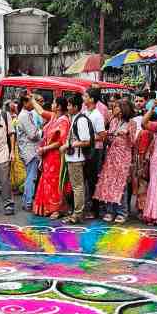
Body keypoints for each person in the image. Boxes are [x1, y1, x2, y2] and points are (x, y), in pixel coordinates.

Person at [93, 99, 137, 224]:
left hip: (123, 156)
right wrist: (107, 135)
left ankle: (122, 212)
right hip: (111, 155)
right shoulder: (113, 121)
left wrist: (126, 133)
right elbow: (109, 139)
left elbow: (133, 141)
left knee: (121, 184)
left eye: (116, 107)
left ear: (123, 109)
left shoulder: (132, 123)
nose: (113, 109)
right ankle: (110, 211)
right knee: (109, 183)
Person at [32, 95, 71, 219]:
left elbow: (60, 142)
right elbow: (41, 111)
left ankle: (57, 209)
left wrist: (44, 148)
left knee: (55, 182)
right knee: (47, 180)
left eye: (54, 103)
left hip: (56, 156)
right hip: (48, 156)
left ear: (58, 107)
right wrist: (31, 99)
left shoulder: (64, 121)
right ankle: (47, 207)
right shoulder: (54, 116)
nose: (52, 105)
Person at [61, 94, 93, 224]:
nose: (67, 107)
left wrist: (68, 145)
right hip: (73, 157)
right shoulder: (75, 118)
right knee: (77, 186)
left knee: (78, 187)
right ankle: (76, 212)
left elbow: (86, 141)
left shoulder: (80, 120)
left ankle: (77, 214)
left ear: (75, 107)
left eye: (69, 105)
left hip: (76, 158)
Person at [82, 88, 108, 219]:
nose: (83, 98)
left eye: (86, 96)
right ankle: (87, 205)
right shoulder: (85, 112)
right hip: (85, 148)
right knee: (85, 178)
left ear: (92, 99)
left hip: (94, 150)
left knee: (92, 179)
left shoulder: (97, 115)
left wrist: (89, 139)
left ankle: (95, 209)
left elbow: (102, 135)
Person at [16, 92, 43, 212]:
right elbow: (33, 134)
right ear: (25, 103)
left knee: (30, 176)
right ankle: (28, 202)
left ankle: (26, 201)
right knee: (31, 177)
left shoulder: (27, 114)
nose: (34, 104)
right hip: (30, 150)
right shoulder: (24, 116)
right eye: (32, 101)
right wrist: (42, 131)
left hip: (29, 150)